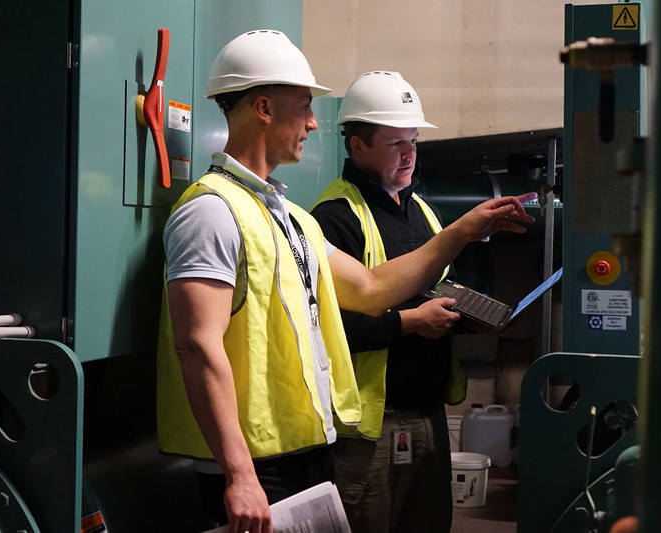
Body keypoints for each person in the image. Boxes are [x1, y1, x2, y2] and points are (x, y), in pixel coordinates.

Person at [156, 30, 536, 533]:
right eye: (304, 107)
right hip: (252, 466)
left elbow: (371, 290)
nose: (314, 122)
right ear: (264, 107)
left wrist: (462, 232)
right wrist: (239, 474)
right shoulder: (211, 212)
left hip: (303, 453)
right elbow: (197, 347)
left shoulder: (292, 219)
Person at [311, 71, 516, 532]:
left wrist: (467, 315)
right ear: (356, 146)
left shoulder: (421, 210)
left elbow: (443, 287)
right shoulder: (334, 218)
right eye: (394, 143)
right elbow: (327, 327)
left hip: (428, 416)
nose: (409, 154)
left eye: (414, 141)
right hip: (370, 429)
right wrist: (407, 323)